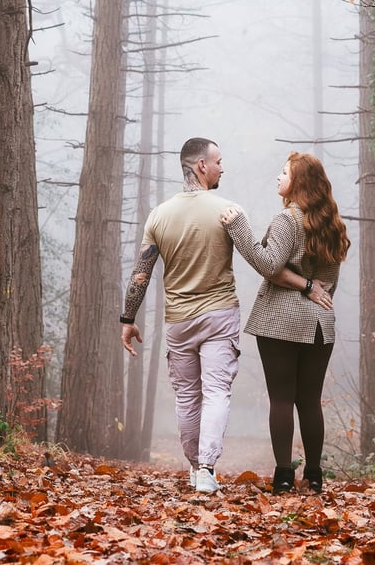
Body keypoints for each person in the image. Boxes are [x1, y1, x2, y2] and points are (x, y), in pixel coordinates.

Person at [220, 152, 350, 495]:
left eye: (284, 173)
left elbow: (268, 264)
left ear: (300, 182)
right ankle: (315, 475)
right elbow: (328, 282)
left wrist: (239, 228)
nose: (278, 178)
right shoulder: (332, 224)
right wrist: (308, 286)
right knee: (310, 401)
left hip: (280, 321)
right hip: (321, 323)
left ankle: (282, 476)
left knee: (281, 399)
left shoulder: (287, 220)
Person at [119, 137, 241, 494]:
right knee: (216, 391)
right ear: (201, 165)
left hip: (179, 321)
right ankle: (206, 468)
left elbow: (140, 273)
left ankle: (195, 469)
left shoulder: (159, 215)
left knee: (188, 396)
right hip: (220, 315)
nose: (222, 167)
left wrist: (128, 319)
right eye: (218, 161)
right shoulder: (226, 210)